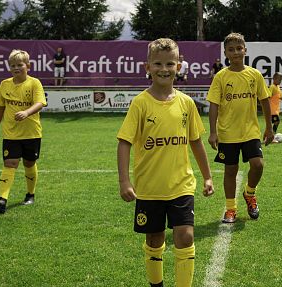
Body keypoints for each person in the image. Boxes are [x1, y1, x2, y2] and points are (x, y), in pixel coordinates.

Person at [117, 38, 214, 287]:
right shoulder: (140, 103)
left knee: (185, 236)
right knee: (154, 239)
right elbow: (124, 142)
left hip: (181, 185)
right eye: (158, 63)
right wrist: (125, 180)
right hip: (149, 188)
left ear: (178, 66)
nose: (164, 68)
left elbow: (195, 141)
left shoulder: (186, 103)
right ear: (147, 67)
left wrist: (207, 176)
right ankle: (156, 284)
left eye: (170, 63)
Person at [206, 32, 274, 224]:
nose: (236, 52)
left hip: (250, 131)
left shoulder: (255, 75)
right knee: (230, 170)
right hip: (228, 133)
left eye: (239, 48)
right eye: (231, 49)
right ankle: (230, 209)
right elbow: (214, 105)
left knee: (258, 164)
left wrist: (269, 128)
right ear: (225, 53)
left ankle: (250, 194)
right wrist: (213, 132)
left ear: (245, 50)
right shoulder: (220, 76)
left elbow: (265, 101)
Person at [0, 49, 47, 214]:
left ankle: (30, 194)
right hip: (11, 133)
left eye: (19, 65)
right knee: (10, 163)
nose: (16, 68)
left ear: (28, 66)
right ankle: (2, 199)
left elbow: (40, 103)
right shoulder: (4, 85)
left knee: (29, 163)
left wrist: (27, 112)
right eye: (13, 65)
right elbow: (0, 107)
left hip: (32, 133)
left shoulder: (34, 83)